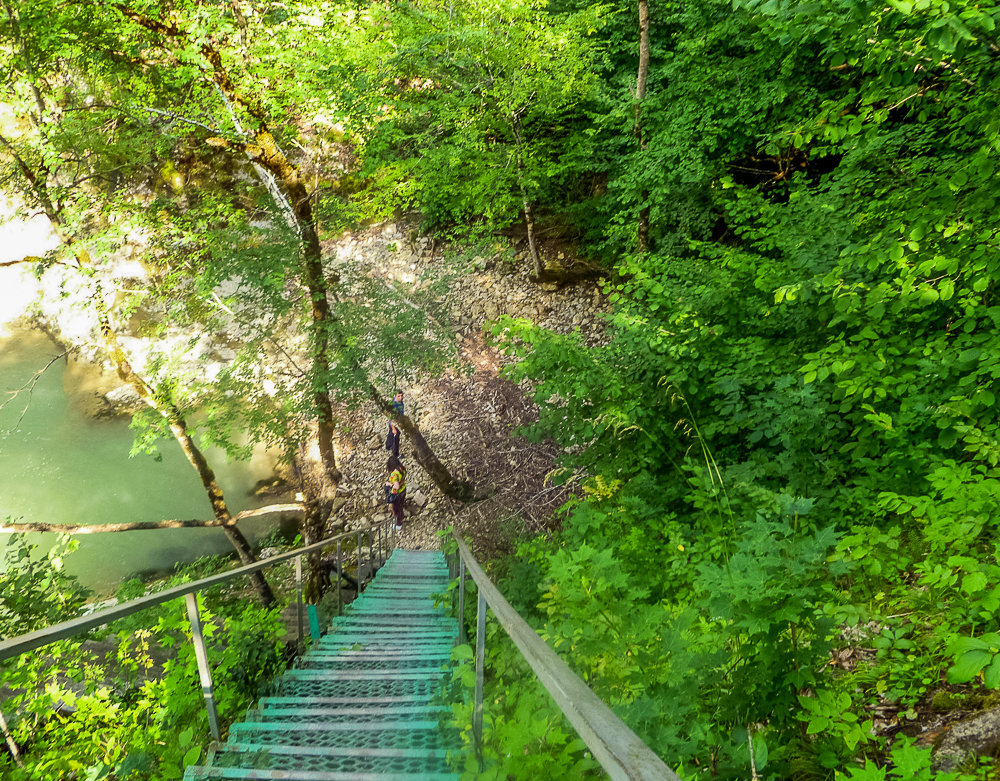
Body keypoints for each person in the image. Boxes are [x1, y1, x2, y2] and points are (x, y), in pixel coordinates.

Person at [385, 455, 407, 531]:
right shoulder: (402, 469)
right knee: (400, 506)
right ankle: (401, 517)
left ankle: (398, 524)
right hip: (403, 490)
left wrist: (389, 484)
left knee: (396, 508)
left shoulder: (394, 474)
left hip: (397, 493)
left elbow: (396, 486)